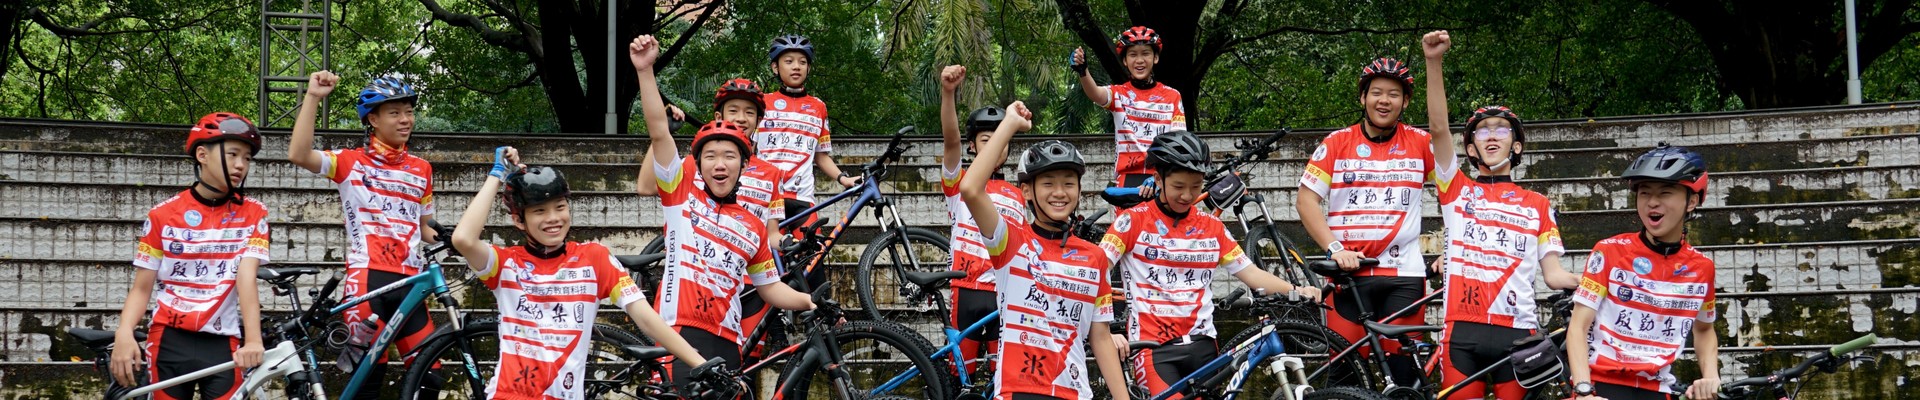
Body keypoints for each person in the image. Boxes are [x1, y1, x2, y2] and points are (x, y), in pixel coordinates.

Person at [449, 145, 729, 399]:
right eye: (539, 211)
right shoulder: (506, 264)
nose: (553, 218)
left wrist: (701, 364)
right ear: (518, 220)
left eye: (560, 207)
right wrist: (497, 174)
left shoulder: (594, 259)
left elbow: (646, 317)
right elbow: (463, 239)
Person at [632, 35, 816, 393]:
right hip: (679, 333)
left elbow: (770, 287)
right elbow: (658, 134)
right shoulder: (681, 195)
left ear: (743, 165)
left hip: (729, 339)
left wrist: (812, 301)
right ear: (696, 163)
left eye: (730, 157)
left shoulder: (752, 225)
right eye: (711, 157)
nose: (720, 164)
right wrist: (645, 70)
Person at [1421, 30, 1581, 399]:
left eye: (1502, 130)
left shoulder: (1537, 204)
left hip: (1519, 335)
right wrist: (1434, 61)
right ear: (1471, 149)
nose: (1492, 136)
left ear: (1517, 145)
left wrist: (1597, 283)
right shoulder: (1456, 190)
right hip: (1461, 333)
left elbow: (1554, 275)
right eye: (1482, 132)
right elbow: (1438, 129)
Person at [1100, 130, 1320, 397]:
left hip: (1204, 346)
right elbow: (1095, 272)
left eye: (1195, 186)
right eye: (1178, 186)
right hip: (1153, 349)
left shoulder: (1212, 226)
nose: (1187, 195)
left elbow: (1251, 273)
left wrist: (1296, 290)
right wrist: (1106, 330)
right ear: (1158, 179)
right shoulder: (1131, 221)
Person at [960, 100, 1129, 400]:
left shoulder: (1095, 257)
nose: (1060, 193)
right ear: (1027, 190)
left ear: (1079, 189)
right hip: (1017, 391)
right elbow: (971, 188)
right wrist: (1009, 123)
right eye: (1048, 183)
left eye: (1069, 184)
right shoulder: (1010, 242)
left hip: (1075, 393)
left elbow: (1101, 338)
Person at [288, 71, 439, 397]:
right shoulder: (350, 162)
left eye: (409, 111)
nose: (405, 119)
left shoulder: (422, 169)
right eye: (395, 112)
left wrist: (454, 239)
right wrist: (313, 97)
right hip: (368, 280)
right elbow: (299, 154)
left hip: (411, 282)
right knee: (367, 380)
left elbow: (424, 227)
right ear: (373, 119)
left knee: (430, 377)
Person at [1295, 55, 1436, 388]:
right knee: (1346, 377)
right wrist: (1335, 248)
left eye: (1393, 94)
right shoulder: (1336, 142)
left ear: (1405, 102)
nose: (1384, 100)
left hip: (1404, 276)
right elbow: (1306, 201)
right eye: (1376, 92)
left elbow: (1454, 196)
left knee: (1403, 378)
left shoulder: (1421, 143)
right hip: (1348, 275)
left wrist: (1453, 251)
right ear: (1362, 98)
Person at [111, 113, 270, 400]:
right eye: (233, 154)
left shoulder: (255, 212)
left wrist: (253, 341)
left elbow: (246, 279)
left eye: (247, 158)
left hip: (223, 341)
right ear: (202, 155)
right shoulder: (162, 214)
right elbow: (141, 288)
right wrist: (124, 332)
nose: (241, 165)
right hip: (168, 338)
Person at [1565, 144, 1721, 400]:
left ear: (1692, 201)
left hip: (1658, 389)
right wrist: (1583, 390)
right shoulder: (1609, 251)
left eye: (1665, 192)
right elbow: (1578, 327)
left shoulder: (1702, 268)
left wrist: (1711, 376)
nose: (1652, 202)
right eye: (1644, 193)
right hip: (1599, 385)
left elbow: (1704, 329)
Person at [936, 64, 1027, 371]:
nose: (995, 146)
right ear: (972, 146)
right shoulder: (959, 184)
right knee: (961, 372)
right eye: (987, 140)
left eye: (1001, 139)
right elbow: (951, 142)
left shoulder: (1018, 193)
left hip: (1006, 291)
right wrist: (948, 92)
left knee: (1004, 373)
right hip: (966, 289)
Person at [1072, 26, 1187, 195]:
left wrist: (1162, 176)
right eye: (1133, 55)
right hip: (1127, 180)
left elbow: (1178, 142)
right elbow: (1095, 93)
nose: (1139, 60)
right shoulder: (1119, 94)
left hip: (1161, 177)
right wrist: (1083, 71)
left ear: (1155, 58)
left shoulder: (1173, 96)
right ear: (1125, 61)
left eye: (1145, 53)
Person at [758, 34, 859, 226]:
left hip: (802, 198)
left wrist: (843, 179)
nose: (796, 66)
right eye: (789, 61)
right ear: (775, 67)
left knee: (814, 246)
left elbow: (821, 156)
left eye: (802, 62)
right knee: (769, 246)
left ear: (809, 68)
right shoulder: (761, 103)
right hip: (765, 194)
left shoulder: (818, 106)